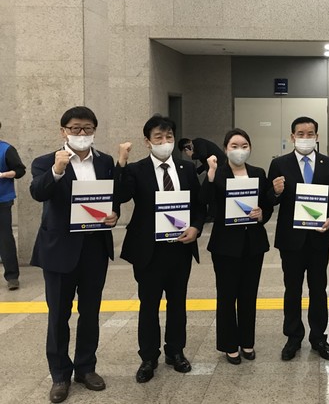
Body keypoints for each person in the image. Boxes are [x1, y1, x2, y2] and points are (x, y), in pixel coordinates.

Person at [30, 106, 119, 403]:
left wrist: (113, 215)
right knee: (58, 315)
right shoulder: (45, 162)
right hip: (59, 250)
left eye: (87, 128)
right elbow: (38, 193)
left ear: (94, 130)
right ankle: (59, 375)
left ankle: (85, 367)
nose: (82, 133)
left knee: (90, 312)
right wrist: (57, 171)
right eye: (75, 128)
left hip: (94, 248)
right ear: (63, 131)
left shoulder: (104, 161)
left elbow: (110, 198)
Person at [115, 115, 205, 384]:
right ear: (147, 142)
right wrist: (121, 163)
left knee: (178, 303)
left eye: (169, 137)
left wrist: (196, 227)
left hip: (180, 248)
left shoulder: (186, 168)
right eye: (159, 137)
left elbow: (199, 205)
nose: (165, 142)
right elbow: (120, 195)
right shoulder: (136, 169)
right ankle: (148, 357)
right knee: (149, 305)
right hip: (148, 250)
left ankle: (175, 352)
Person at [267, 116, 329, 361]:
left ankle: (319, 337)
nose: (305, 138)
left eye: (310, 134)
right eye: (300, 134)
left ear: (317, 136)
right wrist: (275, 192)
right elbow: (269, 200)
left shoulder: (328, 164)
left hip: (319, 238)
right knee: (292, 289)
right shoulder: (279, 164)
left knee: (318, 289)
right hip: (291, 240)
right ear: (292, 137)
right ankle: (293, 336)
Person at [202, 128, 272, 364]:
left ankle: (247, 342)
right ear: (225, 149)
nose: (239, 150)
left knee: (249, 295)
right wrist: (210, 174)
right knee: (227, 295)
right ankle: (229, 344)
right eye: (234, 146)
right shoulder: (218, 173)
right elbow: (205, 202)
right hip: (225, 245)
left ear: (250, 148)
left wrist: (262, 214)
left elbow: (266, 205)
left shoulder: (258, 173)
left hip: (253, 244)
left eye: (244, 146)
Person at [0, 121, 26, 291]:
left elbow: (20, 170)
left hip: (2, 200)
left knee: (5, 238)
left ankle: (12, 276)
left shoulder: (6, 149)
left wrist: (3, 174)